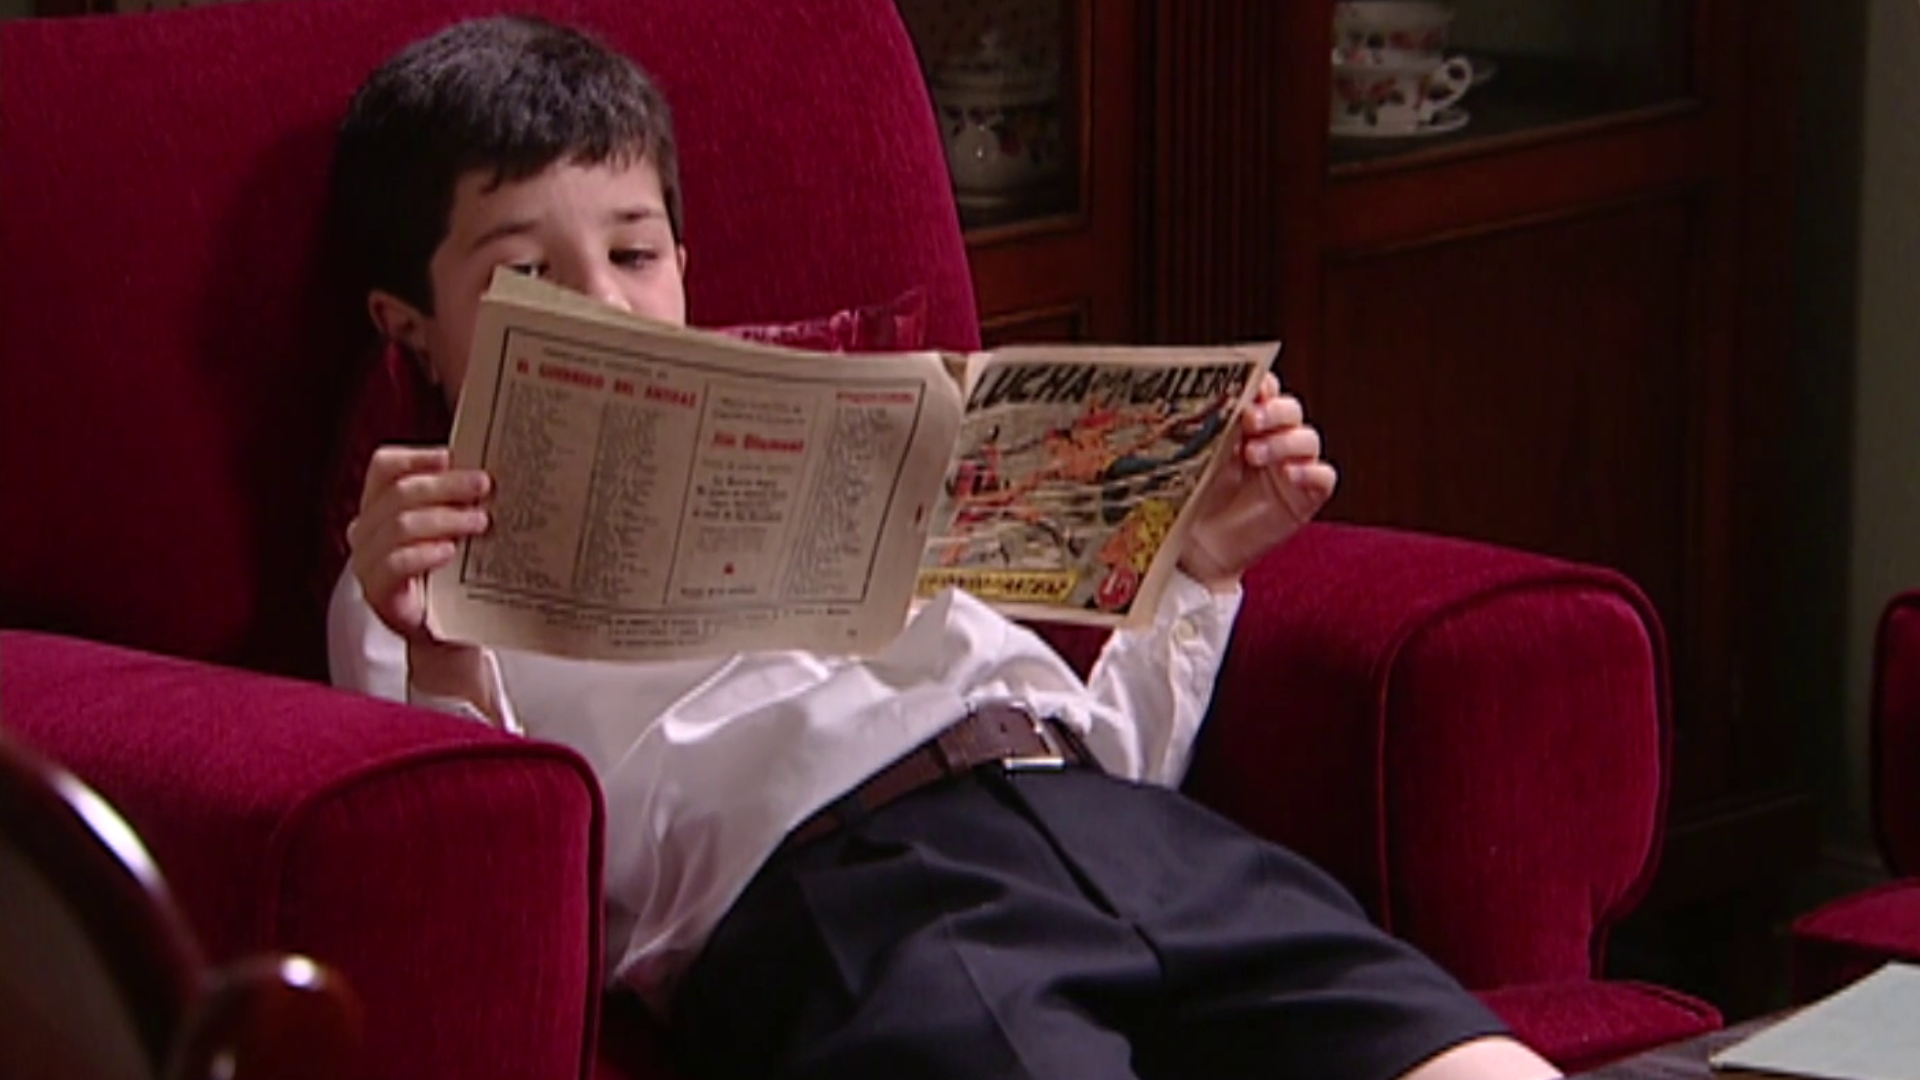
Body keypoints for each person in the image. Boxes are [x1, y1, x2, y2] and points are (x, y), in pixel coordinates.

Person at [325, 15, 1562, 1080]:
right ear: (409, 324)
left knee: (1468, 1059)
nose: (604, 302)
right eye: (527, 272)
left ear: (685, 269)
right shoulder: (411, 566)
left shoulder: (848, 449)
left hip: (1111, 823)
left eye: (635, 254)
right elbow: (474, 888)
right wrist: (436, 656)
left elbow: (1110, 748)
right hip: (856, 900)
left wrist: (1198, 567)